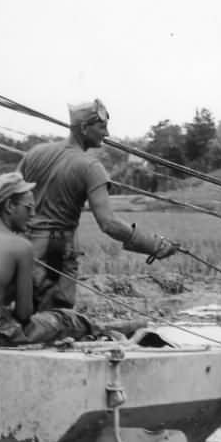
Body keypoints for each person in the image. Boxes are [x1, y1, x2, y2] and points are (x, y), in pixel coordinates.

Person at [19, 98, 178, 311]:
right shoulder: (91, 167)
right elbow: (109, 223)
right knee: (55, 316)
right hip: (55, 251)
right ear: (84, 128)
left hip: (22, 247)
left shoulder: (35, 153)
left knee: (24, 310)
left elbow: (6, 196)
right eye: (102, 126)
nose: (107, 134)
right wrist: (153, 245)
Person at [0, 172, 94, 346]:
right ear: (9, 206)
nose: (32, 214)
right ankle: (111, 329)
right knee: (66, 320)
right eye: (28, 208)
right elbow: (24, 315)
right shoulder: (20, 246)